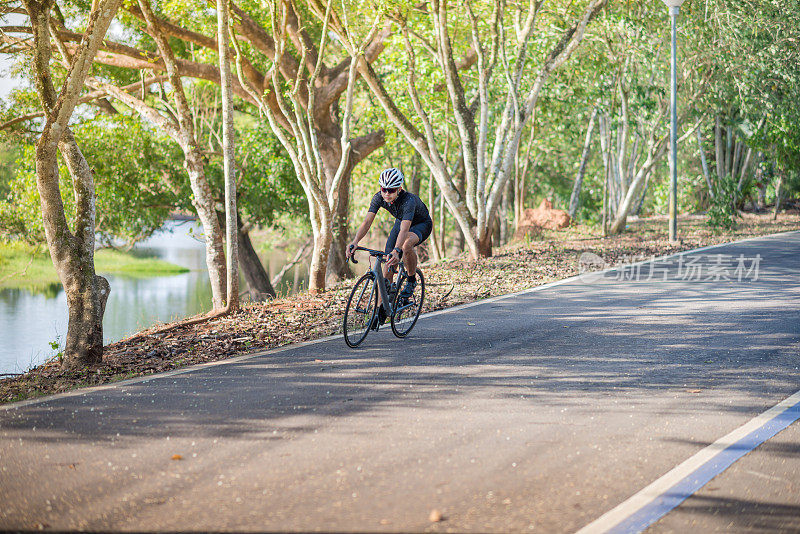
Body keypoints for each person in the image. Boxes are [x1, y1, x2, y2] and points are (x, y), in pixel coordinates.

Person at [346, 167, 433, 328]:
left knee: (405, 244)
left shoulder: (409, 201)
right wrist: (355, 241)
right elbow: (367, 222)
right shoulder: (379, 198)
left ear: (399, 189)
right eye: (384, 189)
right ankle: (382, 309)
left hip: (420, 224)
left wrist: (397, 250)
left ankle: (411, 279)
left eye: (391, 190)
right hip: (401, 222)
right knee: (387, 266)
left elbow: (405, 231)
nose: (387, 193)